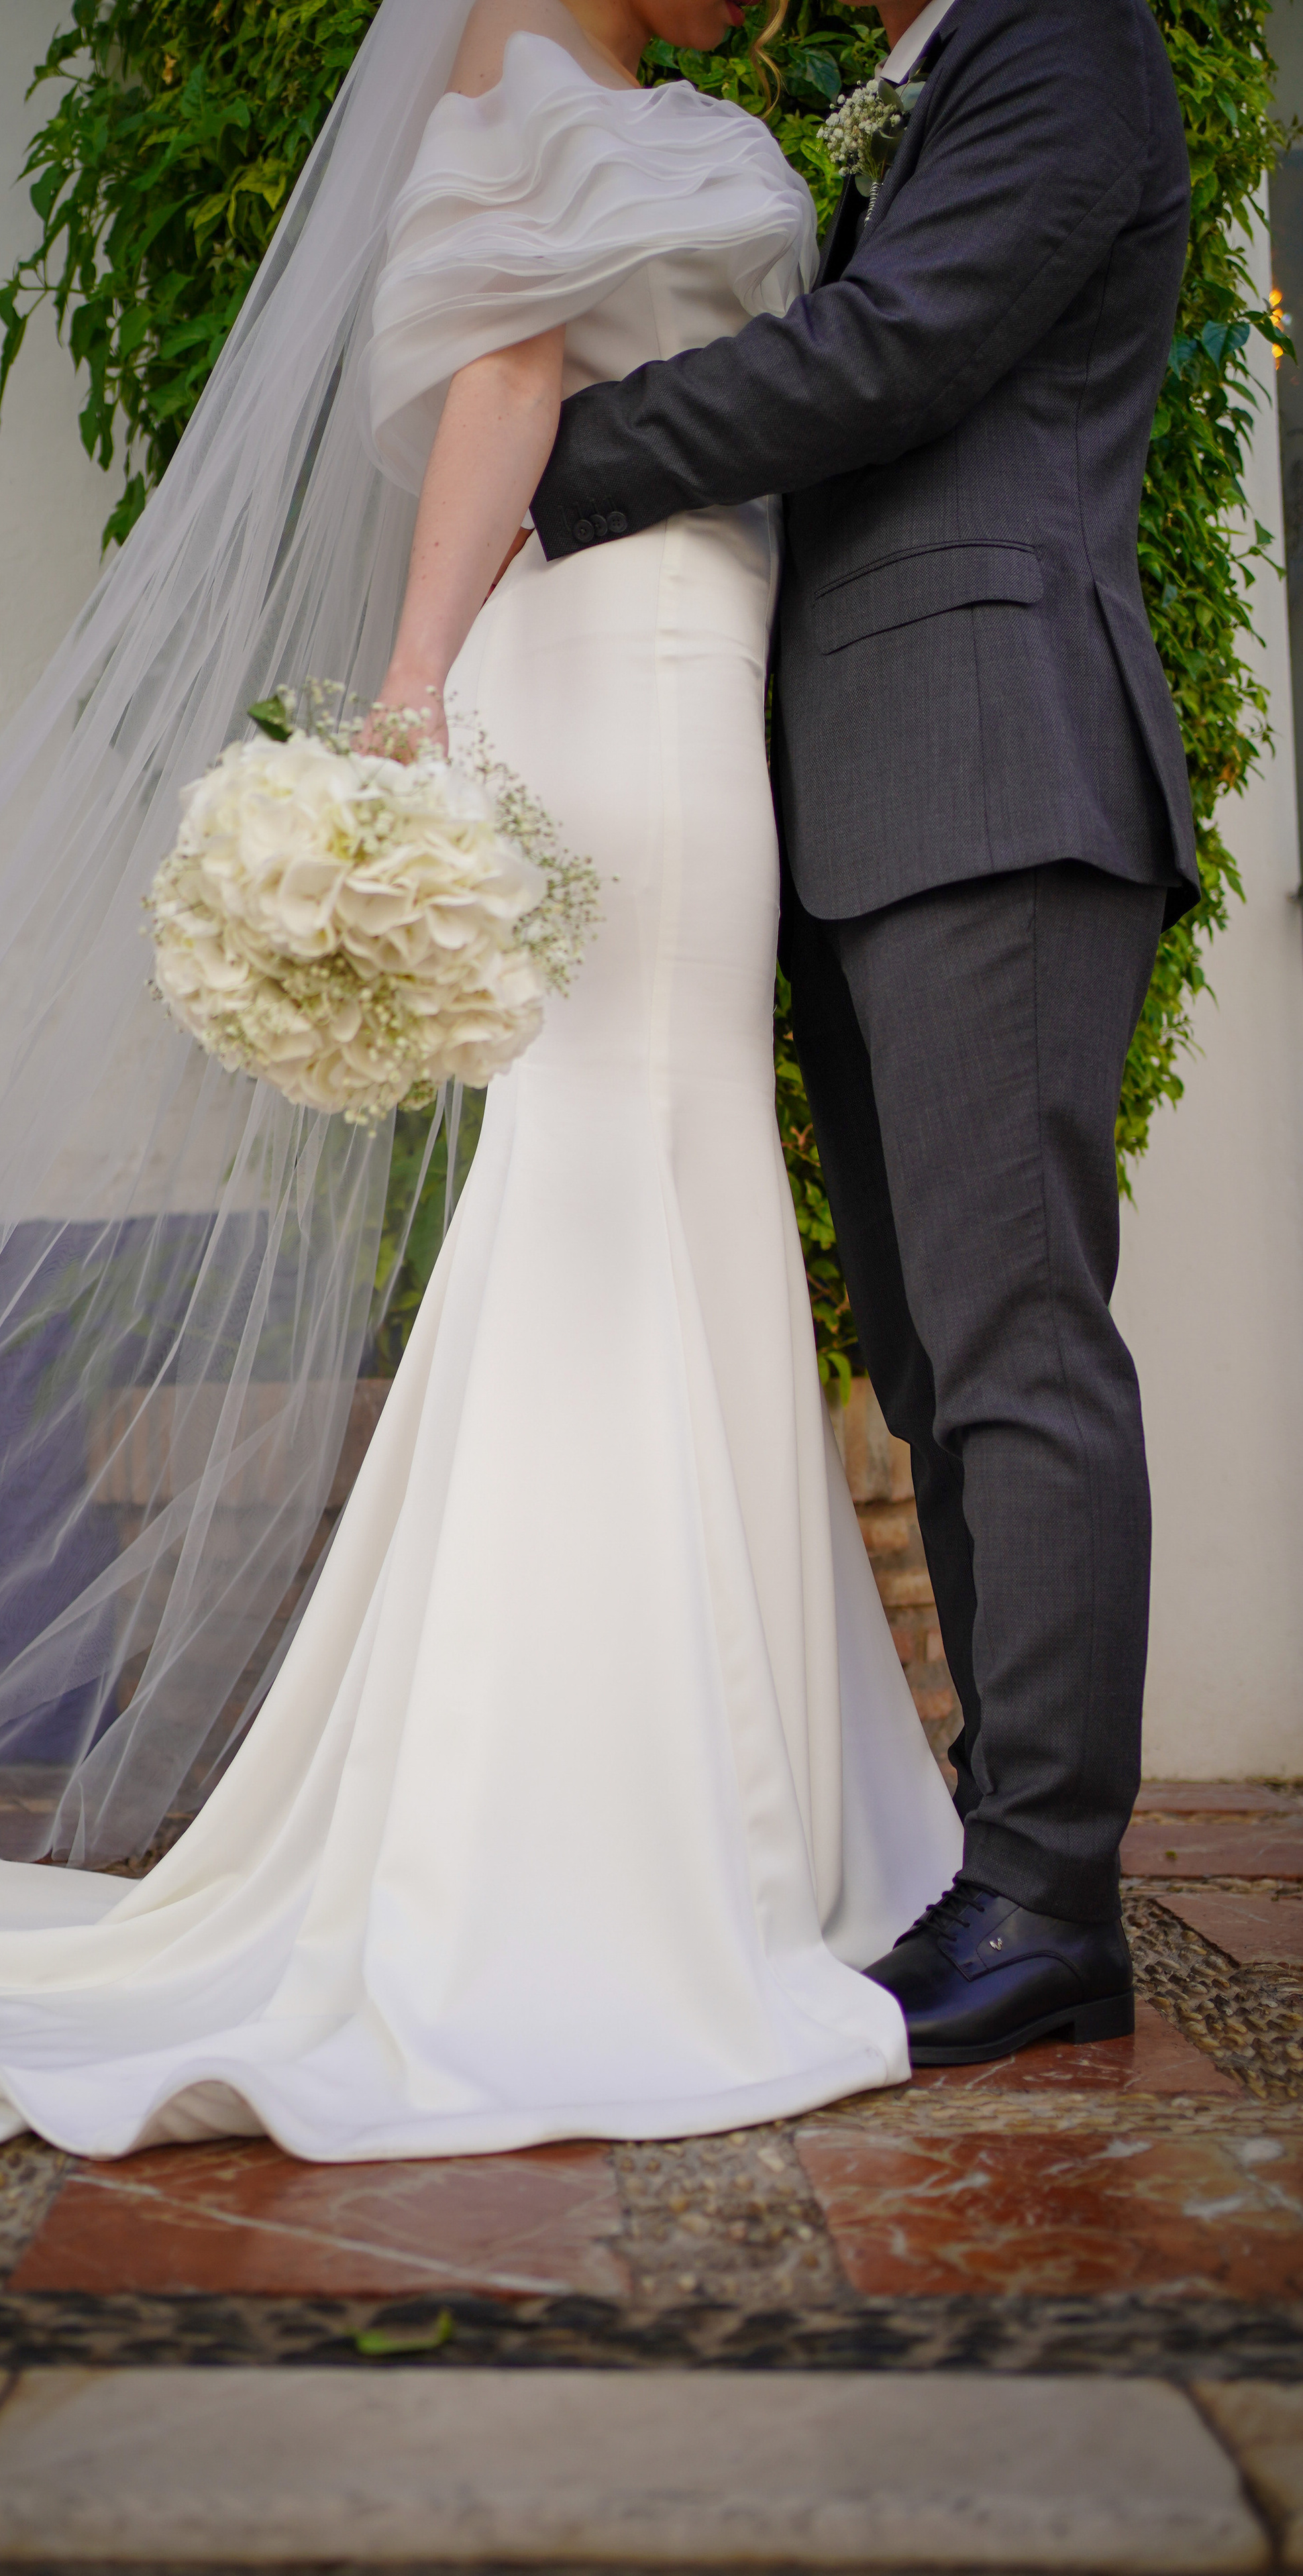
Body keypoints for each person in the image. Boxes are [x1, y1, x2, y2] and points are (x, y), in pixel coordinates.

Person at [0, 0, 971, 2158]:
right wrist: (413, 691)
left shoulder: (663, 105)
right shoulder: (518, 77)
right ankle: (617, 1828)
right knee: (619, 1164)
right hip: (617, 659)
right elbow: (505, 379)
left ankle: (712, 1801)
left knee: (668, 1161)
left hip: (699, 655)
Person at [531, 0, 1194, 2062]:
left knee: (1014, 1344)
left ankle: (1049, 1896)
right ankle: (1011, 1872)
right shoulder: (936, 81)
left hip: (998, 766)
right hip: (878, 801)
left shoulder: (1068, 39)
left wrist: (571, 452)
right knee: (931, 1359)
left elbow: (895, 351)